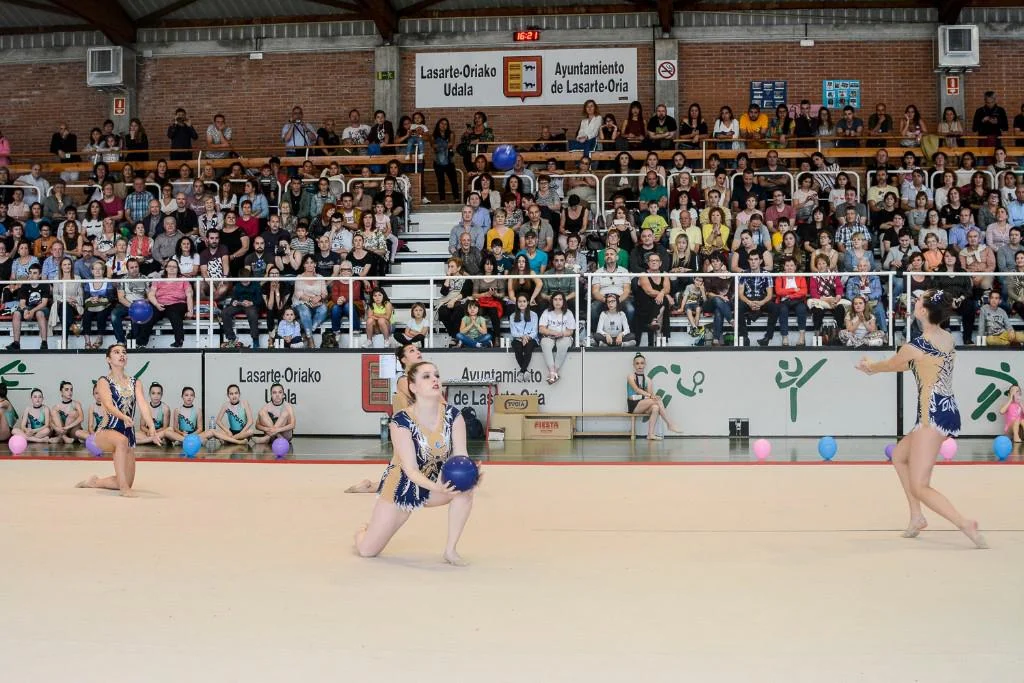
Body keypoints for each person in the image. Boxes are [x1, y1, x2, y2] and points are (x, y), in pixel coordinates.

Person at [856, 290, 986, 548]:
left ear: (923, 311)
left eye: (918, 301)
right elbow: (914, 364)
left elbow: (894, 363)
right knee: (899, 456)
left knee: (920, 486)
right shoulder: (946, 337)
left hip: (932, 415)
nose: (914, 302)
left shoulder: (915, 346)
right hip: (946, 408)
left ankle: (964, 523)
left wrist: (871, 366)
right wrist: (877, 369)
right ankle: (917, 516)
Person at [354, 361, 477, 565]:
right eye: (426, 376)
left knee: (465, 491)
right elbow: (410, 469)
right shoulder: (401, 421)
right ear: (413, 387)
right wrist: (437, 487)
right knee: (367, 550)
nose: (434, 379)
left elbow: (461, 456)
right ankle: (362, 531)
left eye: (436, 375)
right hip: (402, 488)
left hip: (435, 483)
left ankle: (450, 550)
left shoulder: (454, 416)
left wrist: (470, 474)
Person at [74, 344, 160, 497]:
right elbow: (108, 404)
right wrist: (123, 417)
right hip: (107, 430)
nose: (122, 355)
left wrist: (152, 426)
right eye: (116, 352)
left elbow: (143, 404)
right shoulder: (103, 381)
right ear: (108, 359)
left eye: (124, 352)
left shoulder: (135, 382)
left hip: (127, 433)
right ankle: (124, 490)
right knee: (120, 441)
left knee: (126, 479)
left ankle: (94, 482)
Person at [626, 353, 682, 440]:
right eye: (637, 363)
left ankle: (650, 434)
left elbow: (650, 396)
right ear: (633, 365)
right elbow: (637, 390)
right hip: (634, 405)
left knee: (655, 407)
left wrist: (652, 396)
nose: (640, 365)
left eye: (642, 363)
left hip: (644, 404)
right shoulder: (630, 376)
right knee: (657, 400)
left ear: (645, 364)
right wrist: (651, 396)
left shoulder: (648, 379)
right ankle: (670, 424)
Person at [49, 381, 84, 445]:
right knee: (54, 411)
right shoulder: (56, 406)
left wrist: (67, 427)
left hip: (72, 430)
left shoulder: (76, 404)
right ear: (61, 392)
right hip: (60, 431)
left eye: (71, 390)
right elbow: (50, 422)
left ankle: (60, 437)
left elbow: (81, 418)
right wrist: (56, 428)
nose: (70, 392)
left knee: (73, 413)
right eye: (66, 389)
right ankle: (63, 437)